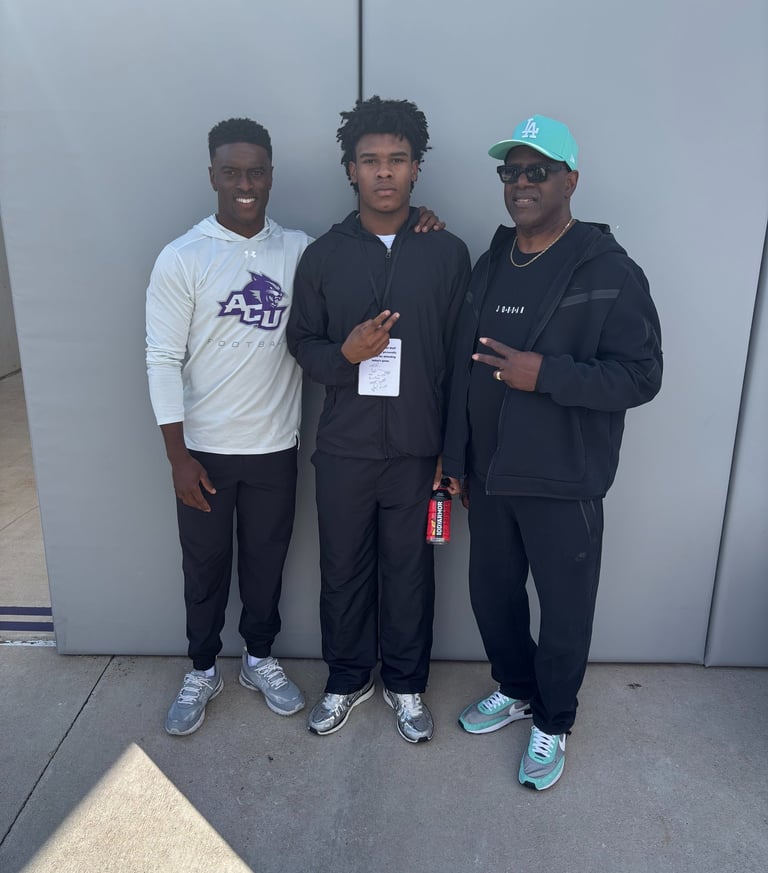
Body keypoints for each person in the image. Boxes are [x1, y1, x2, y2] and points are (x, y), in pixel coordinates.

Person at [146, 117, 444, 737]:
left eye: (255, 172)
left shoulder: (303, 249)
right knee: (215, 570)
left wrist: (423, 220)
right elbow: (170, 358)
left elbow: (445, 338)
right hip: (220, 449)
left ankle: (274, 661)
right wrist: (176, 454)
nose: (244, 184)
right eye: (231, 172)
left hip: (285, 447)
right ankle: (217, 670)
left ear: (272, 177)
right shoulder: (192, 257)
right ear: (213, 177)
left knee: (275, 566)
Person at [442, 115, 662, 788]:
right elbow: (463, 366)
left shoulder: (609, 271)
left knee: (565, 610)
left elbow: (641, 375)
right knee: (492, 596)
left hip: (564, 479)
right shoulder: (492, 261)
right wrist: (455, 459)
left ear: (570, 179)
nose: (521, 183)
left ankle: (553, 720)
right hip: (491, 475)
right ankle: (514, 687)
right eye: (511, 171)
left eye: (537, 170)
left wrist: (550, 374)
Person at [287, 96, 470, 743]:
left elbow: (459, 361)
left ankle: (406, 684)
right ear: (350, 170)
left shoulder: (446, 253)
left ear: (416, 168)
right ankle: (345, 680)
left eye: (397, 160)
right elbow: (300, 343)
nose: (384, 173)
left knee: (411, 571)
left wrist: (453, 452)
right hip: (345, 448)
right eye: (371, 161)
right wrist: (345, 353)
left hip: (418, 449)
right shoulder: (324, 257)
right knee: (341, 568)